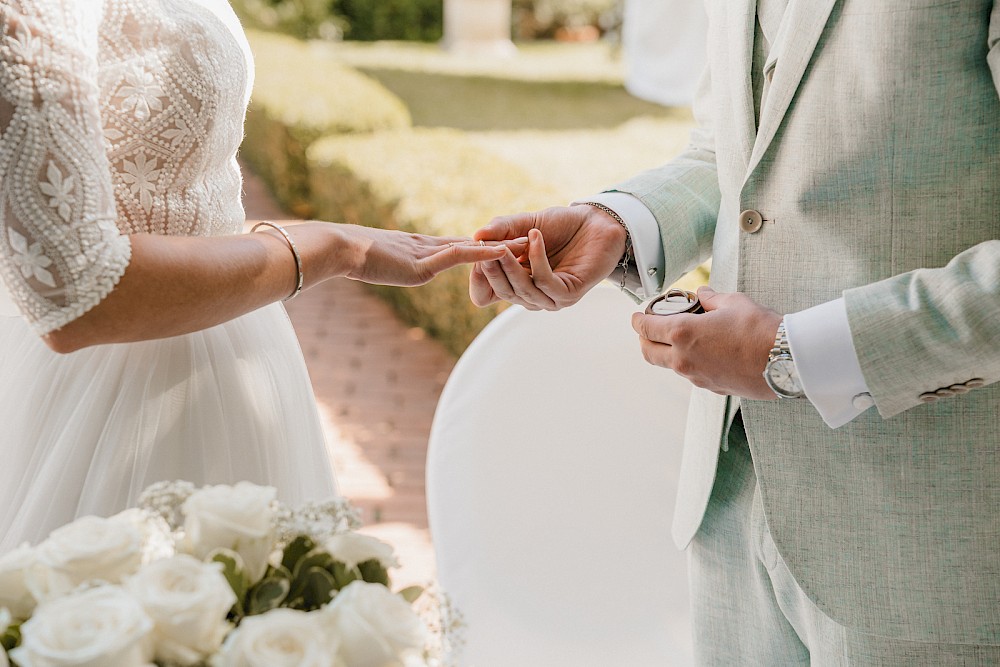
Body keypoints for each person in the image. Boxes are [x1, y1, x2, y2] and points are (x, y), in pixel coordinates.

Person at [470, 1, 1000, 663]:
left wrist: (792, 356)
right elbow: (733, 152)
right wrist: (617, 222)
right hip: (728, 505)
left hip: (926, 543)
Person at [0, 0, 513, 552]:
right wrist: (337, 248)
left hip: (234, 348)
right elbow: (80, 291)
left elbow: (176, 192)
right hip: (104, 392)